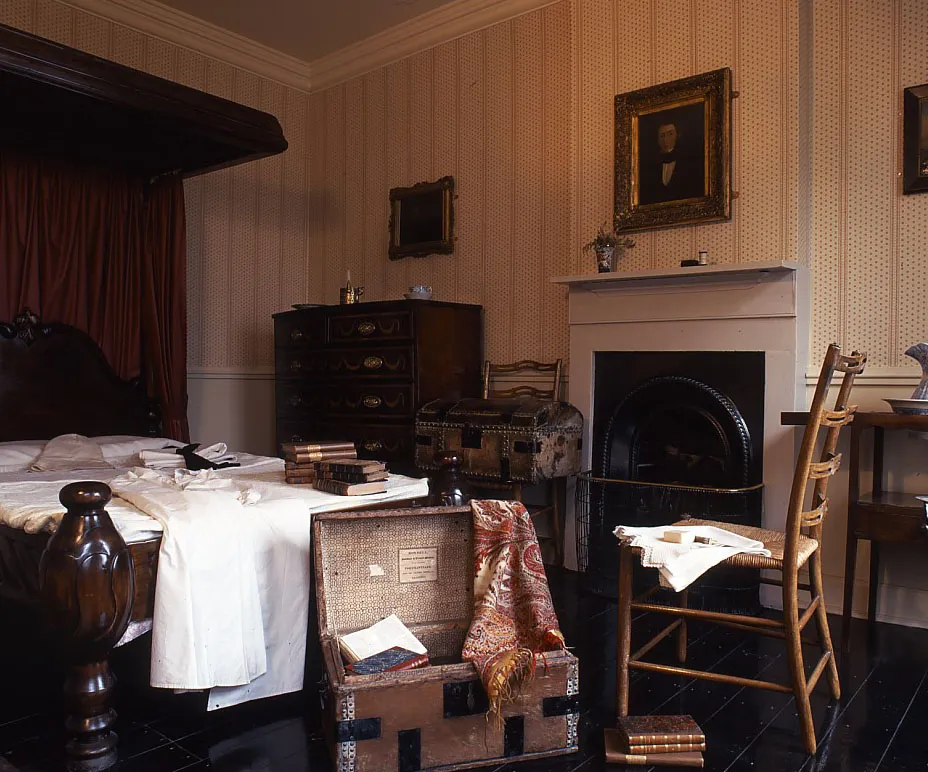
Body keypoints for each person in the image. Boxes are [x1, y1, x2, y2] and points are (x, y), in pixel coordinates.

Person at [639, 120, 705, 205]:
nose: (666, 140)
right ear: (657, 140)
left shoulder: (688, 162)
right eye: (662, 136)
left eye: (670, 134)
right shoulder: (650, 166)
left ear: (677, 135)